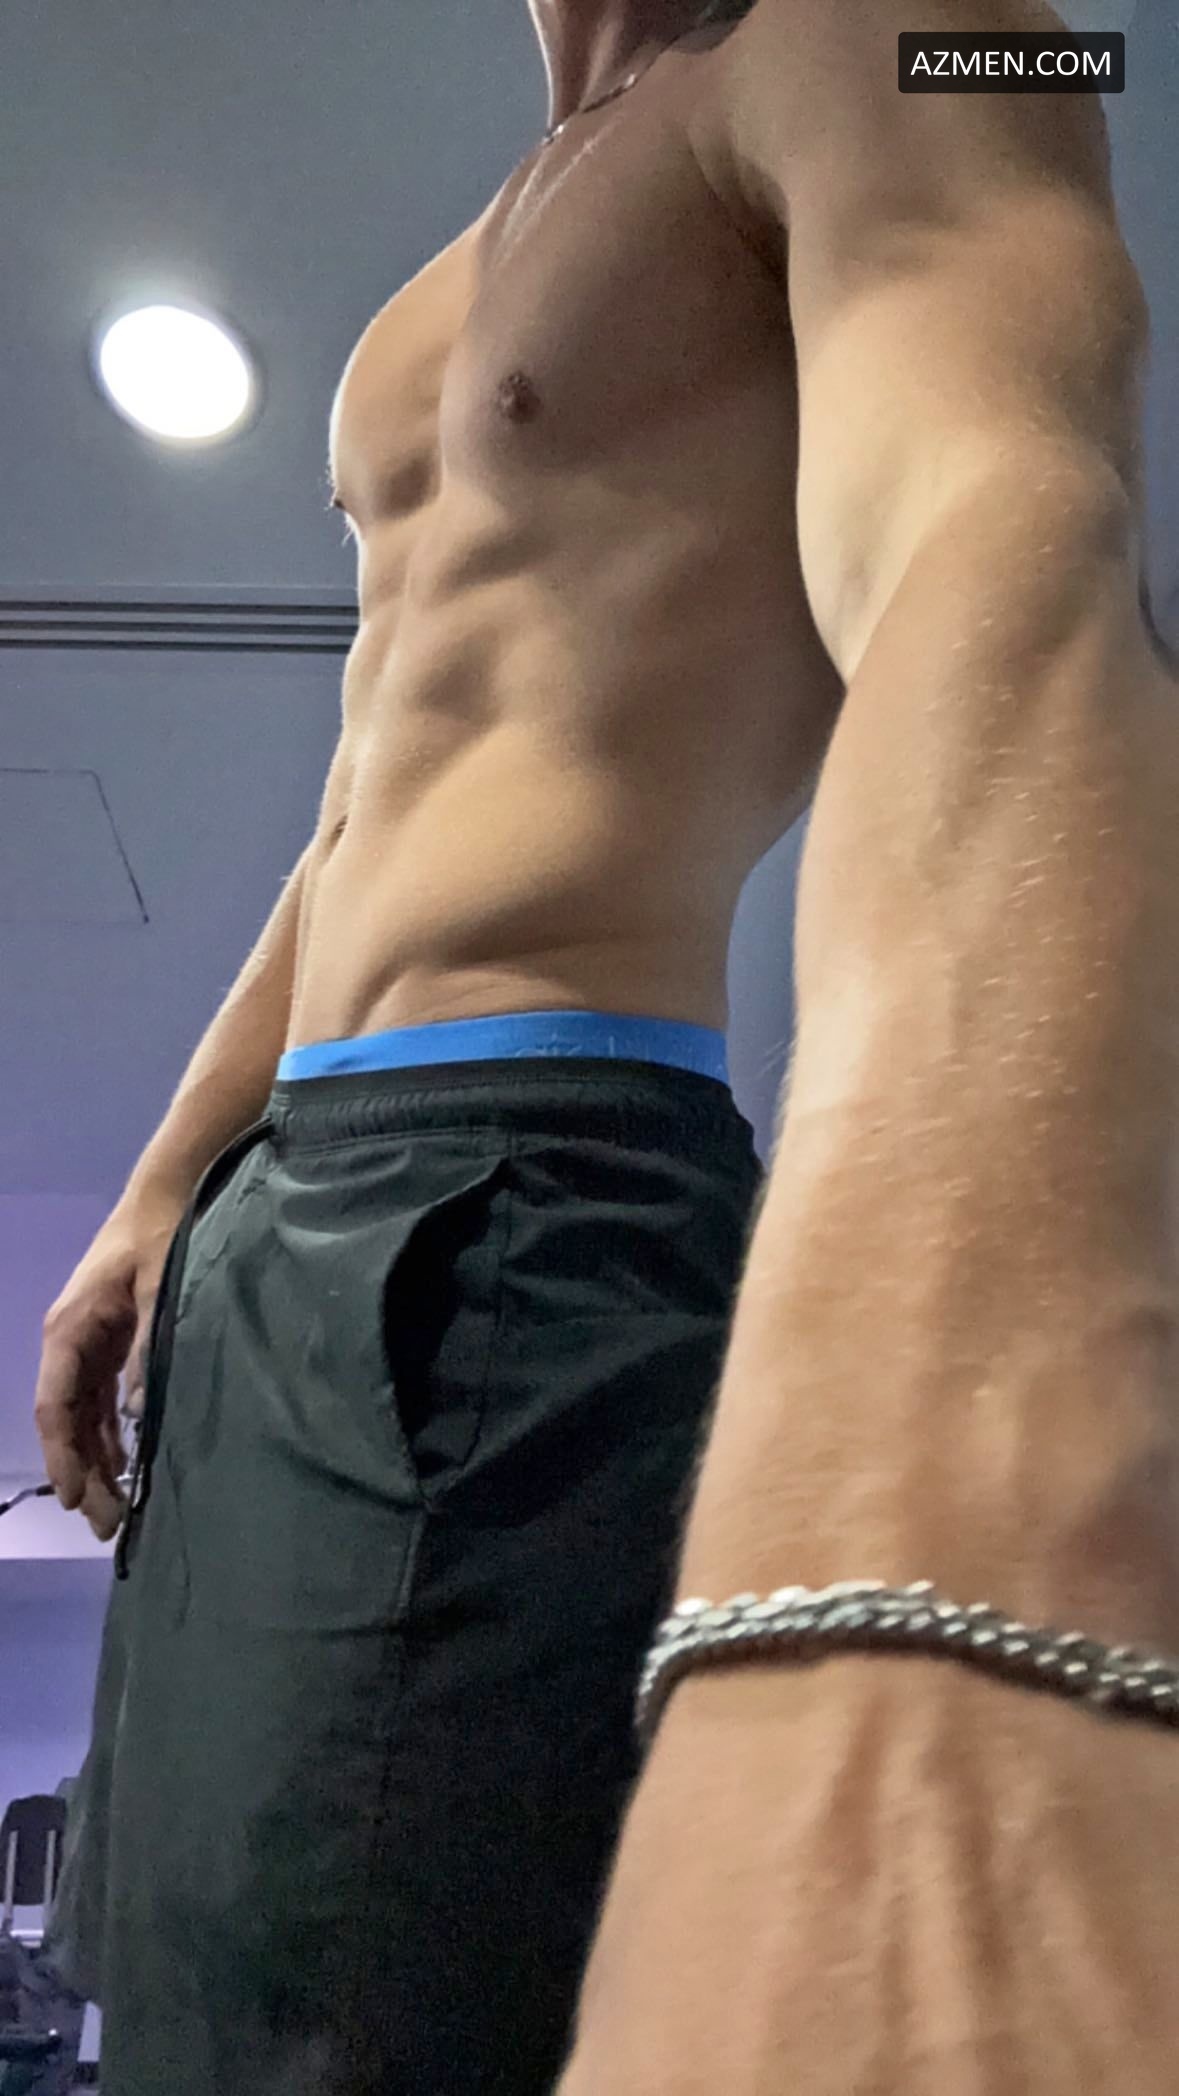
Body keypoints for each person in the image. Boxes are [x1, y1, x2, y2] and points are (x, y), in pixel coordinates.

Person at [34, 0, 1179, 2089]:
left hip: (532, 1199)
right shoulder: (442, 284)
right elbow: (357, 803)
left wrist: (934, 1530)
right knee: (197, 1994)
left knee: (389, 2025)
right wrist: (160, 1195)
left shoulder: (907, 32)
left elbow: (1006, 524)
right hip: (278, 1231)